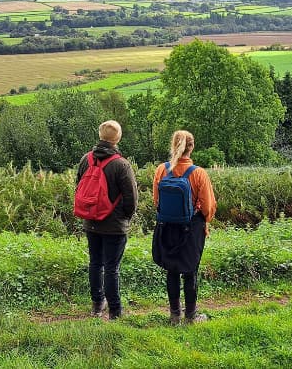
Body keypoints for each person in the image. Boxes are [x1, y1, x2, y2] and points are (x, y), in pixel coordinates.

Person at [152, 130, 217, 325]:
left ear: (173, 146)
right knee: (190, 271)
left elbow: (157, 202)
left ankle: (174, 315)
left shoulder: (161, 170)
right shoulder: (198, 173)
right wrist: (205, 220)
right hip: (191, 229)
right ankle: (191, 315)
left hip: (167, 227)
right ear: (192, 146)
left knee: (171, 270)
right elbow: (208, 207)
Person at [75, 120, 138, 320]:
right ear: (117, 139)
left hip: (91, 221)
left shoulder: (86, 159)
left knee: (95, 263)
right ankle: (115, 311)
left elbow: (79, 186)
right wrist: (124, 218)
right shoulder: (121, 164)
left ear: (100, 136)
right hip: (114, 225)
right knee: (112, 268)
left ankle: (96, 305)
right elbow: (131, 198)